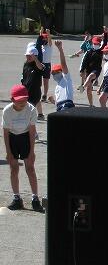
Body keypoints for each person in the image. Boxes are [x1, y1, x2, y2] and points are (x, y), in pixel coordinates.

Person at [2, 84, 43, 212]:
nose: (22, 103)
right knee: (14, 169)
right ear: (12, 99)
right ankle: (16, 198)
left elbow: (32, 131)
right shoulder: (7, 111)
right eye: (19, 100)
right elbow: (6, 133)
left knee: (30, 168)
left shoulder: (31, 109)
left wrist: (32, 152)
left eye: (25, 99)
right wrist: (8, 152)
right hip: (12, 138)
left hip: (26, 137)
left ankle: (35, 198)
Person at [79, 34, 108, 107]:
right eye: (94, 44)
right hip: (88, 70)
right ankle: (91, 104)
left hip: (96, 70)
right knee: (89, 89)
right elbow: (84, 62)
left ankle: (83, 87)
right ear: (92, 44)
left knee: (91, 76)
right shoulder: (89, 52)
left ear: (99, 44)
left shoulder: (100, 51)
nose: (96, 45)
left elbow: (105, 42)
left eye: (97, 44)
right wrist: (82, 70)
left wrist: (105, 33)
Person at [22, 43, 45, 120]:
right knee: (26, 110)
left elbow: (41, 67)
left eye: (30, 56)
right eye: (27, 55)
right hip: (26, 90)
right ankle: (38, 116)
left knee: (28, 110)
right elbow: (24, 75)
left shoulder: (38, 65)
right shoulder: (26, 64)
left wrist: (35, 59)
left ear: (35, 56)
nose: (27, 57)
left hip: (35, 92)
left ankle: (38, 116)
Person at [50, 40, 74, 111]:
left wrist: (60, 49)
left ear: (61, 71)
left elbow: (63, 64)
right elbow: (58, 103)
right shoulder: (57, 87)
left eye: (56, 72)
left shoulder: (66, 79)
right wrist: (53, 101)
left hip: (67, 105)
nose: (54, 74)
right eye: (53, 73)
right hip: (59, 107)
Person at [36, 28, 53, 103]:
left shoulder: (49, 46)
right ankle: (38, 94)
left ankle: (45, 95)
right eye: (43, 38)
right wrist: (41, 32)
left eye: (45, 38)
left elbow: (50, 40)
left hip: (47, 65)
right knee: (38, 80)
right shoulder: (41, 46)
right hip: (40, 64)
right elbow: (39, 40)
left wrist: (48, 34)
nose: (43, 40)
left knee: (46, 81)